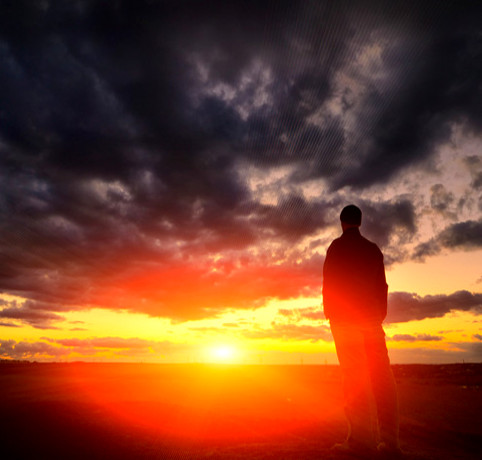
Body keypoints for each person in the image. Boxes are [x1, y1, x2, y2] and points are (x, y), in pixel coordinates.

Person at [323, 205, 401, 455]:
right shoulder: (373, 250)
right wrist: (379, 316)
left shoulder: (336, 248)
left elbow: (329, 284)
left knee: (354, 378)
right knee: (382, 378)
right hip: (371, 321)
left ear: (342, 222)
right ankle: (389, 442)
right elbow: (383, 287)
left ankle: (360, 441)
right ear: (360, 221)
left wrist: (331, 314)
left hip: (345, 322)